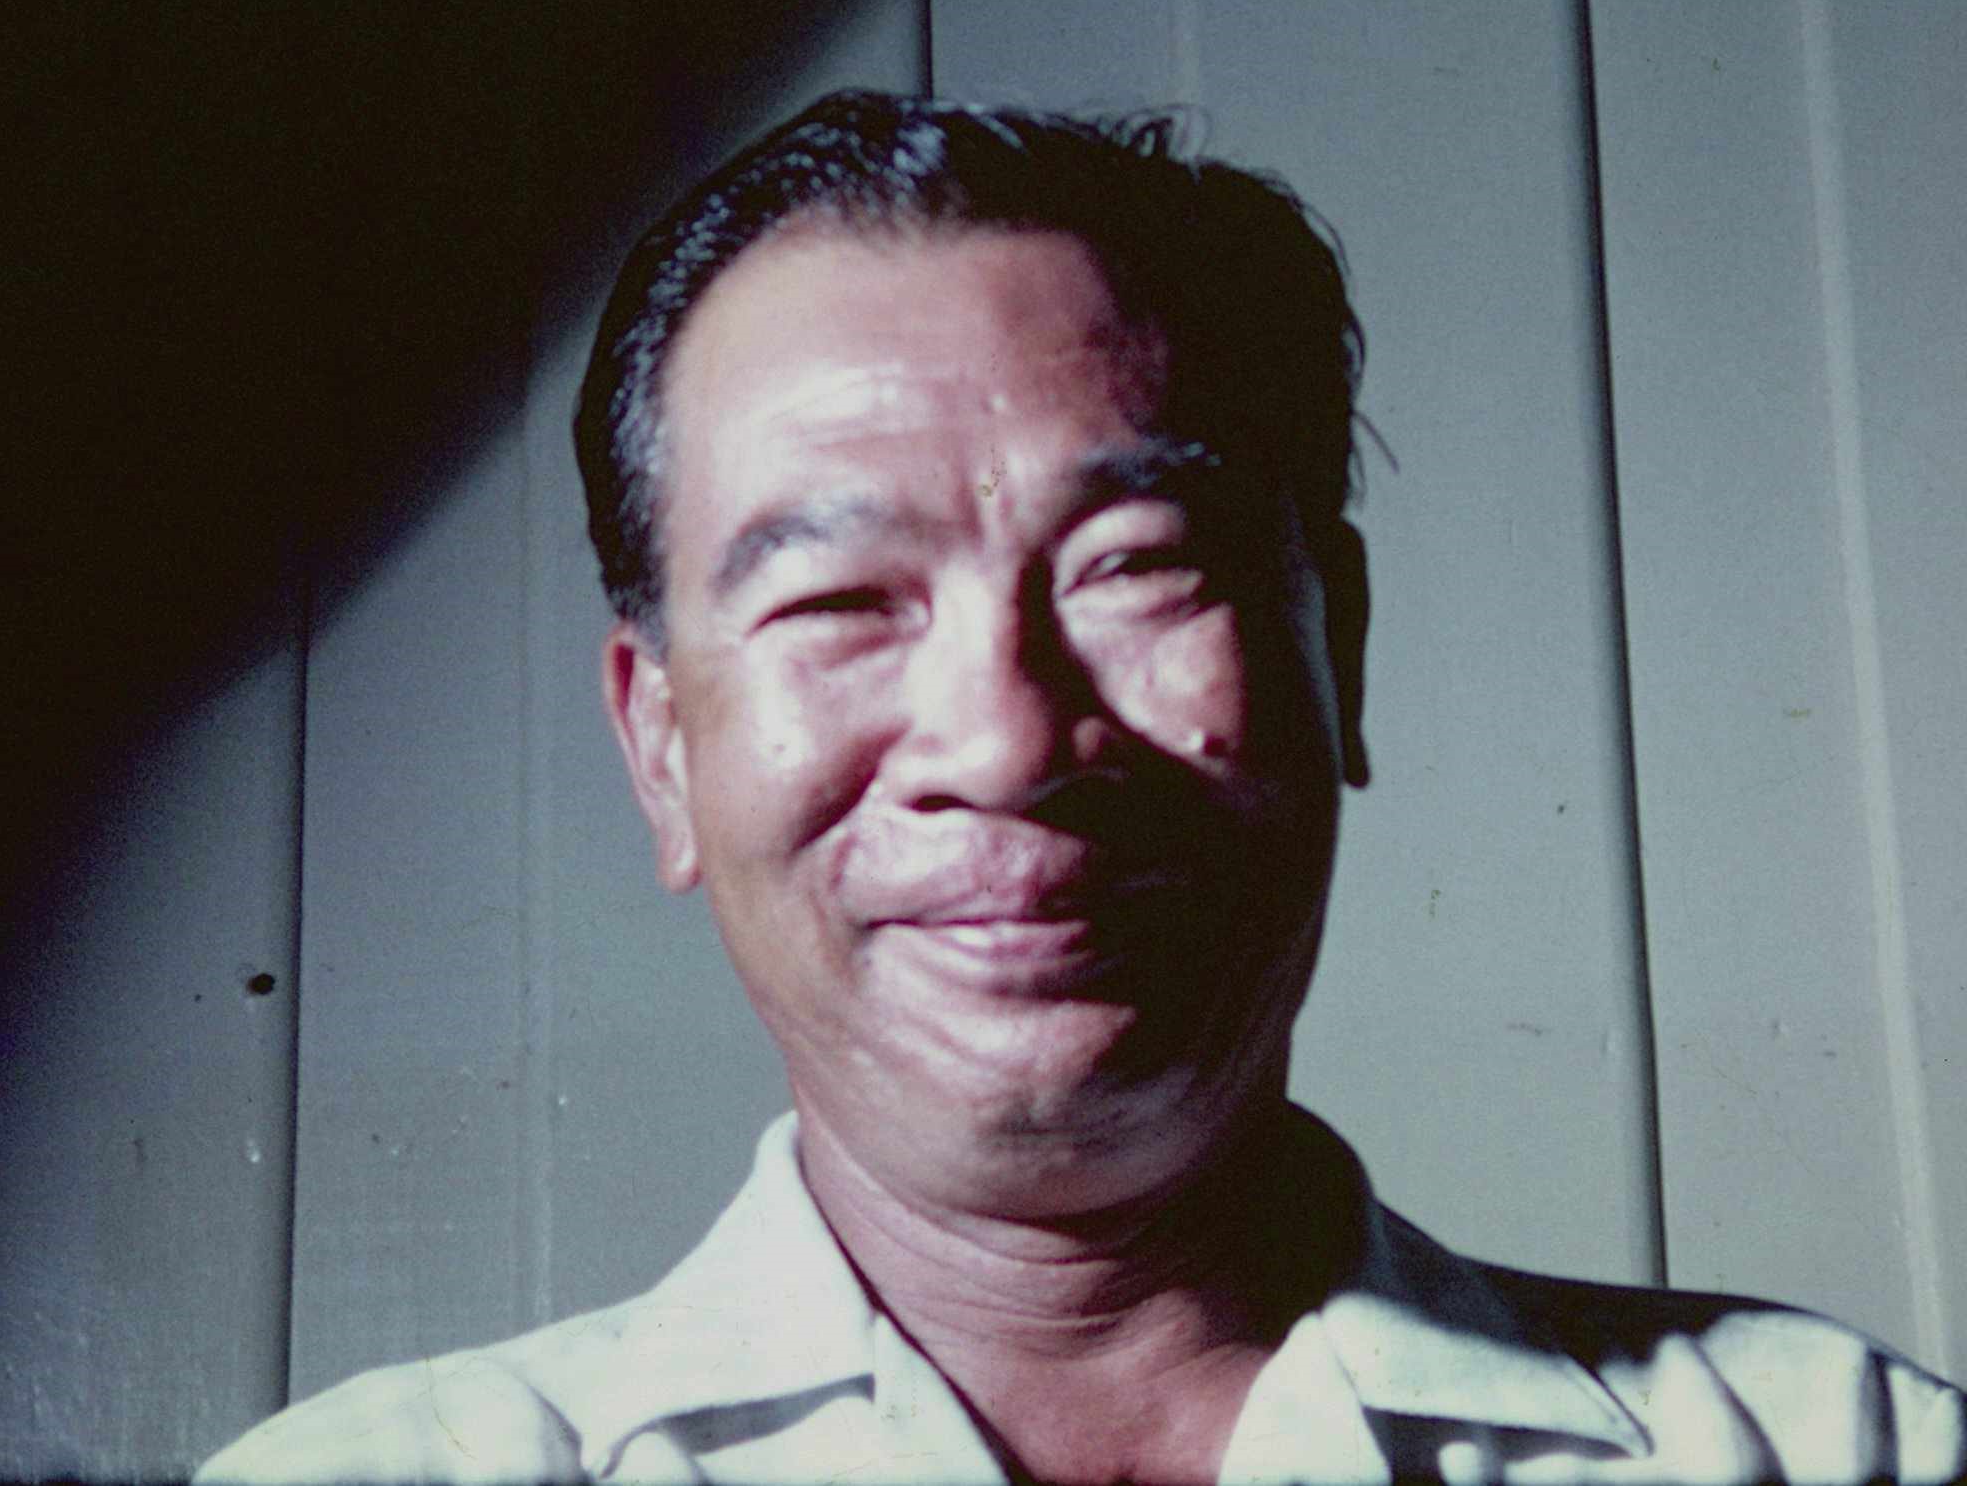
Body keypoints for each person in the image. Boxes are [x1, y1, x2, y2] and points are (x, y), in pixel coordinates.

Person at [198, 91, 1964, 1485]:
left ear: (1334, 649)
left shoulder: (1839, 1450)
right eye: (839, 604)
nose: (1009, 743)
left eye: (1137, 567)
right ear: (662, 750)